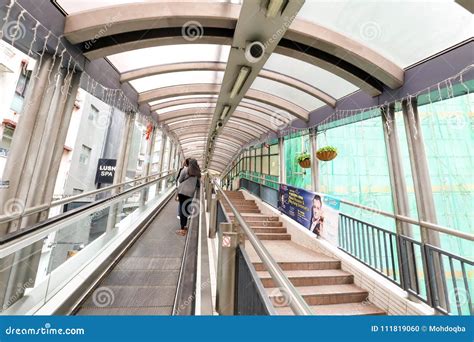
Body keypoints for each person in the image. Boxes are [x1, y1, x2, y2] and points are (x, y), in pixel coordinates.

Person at [176, 158, 201, 236]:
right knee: (186, 209)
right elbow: (198, 185)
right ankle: (184, 226)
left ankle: (182, 228)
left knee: (181, 209)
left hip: (182, 192)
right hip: (191, 193)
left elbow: (180, 180)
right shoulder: (197, 173)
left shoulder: (185, 170)